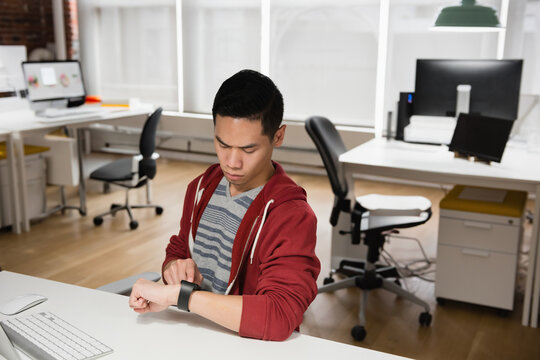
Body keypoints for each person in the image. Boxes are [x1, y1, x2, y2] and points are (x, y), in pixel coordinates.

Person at [128, 69, 320, 341]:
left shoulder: (291, 215)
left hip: (245, 346)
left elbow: (278, 316)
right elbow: (180, 249)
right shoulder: (201, 187)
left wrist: (182, 297)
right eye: (222, 144)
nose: (232, 162)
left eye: (248, 149)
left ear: (278, 137)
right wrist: (175, 268)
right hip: (193, 333)